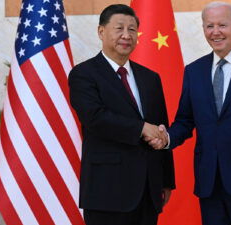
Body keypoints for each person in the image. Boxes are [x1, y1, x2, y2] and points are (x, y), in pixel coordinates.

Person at [147, 2, 231, 225]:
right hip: (209, 184)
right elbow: (185, 120)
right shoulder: (194, 71)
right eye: (209, 26)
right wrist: (167, 138)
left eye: (222, 25)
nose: (215, 32)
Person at [68, 4, 174, 225]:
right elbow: (95, 118)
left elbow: (162, 128)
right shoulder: (83, 74)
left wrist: (165, 180)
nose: (126, 35)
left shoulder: (150, 78)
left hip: (148, 190)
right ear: (101, 32)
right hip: (107, 191)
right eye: (119, 28)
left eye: (132, 29)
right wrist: (142, 128)